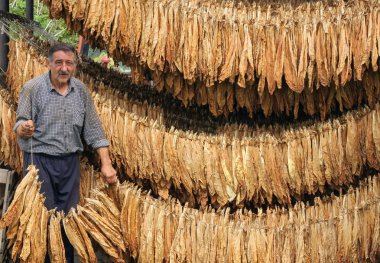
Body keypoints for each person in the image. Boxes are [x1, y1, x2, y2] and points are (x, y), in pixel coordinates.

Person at [13, 43, 117, 262]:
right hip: (38, 163)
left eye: (69, 63)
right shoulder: (33, 88)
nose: (64, 68)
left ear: (75, 66)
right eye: (58, 62)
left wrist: (106, 164)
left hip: (70, 164)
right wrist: (23, 128)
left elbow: (94, 130)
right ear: (49, 63)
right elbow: (19, 123)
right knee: (41, 220)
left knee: (68, 220)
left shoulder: (80, 91)